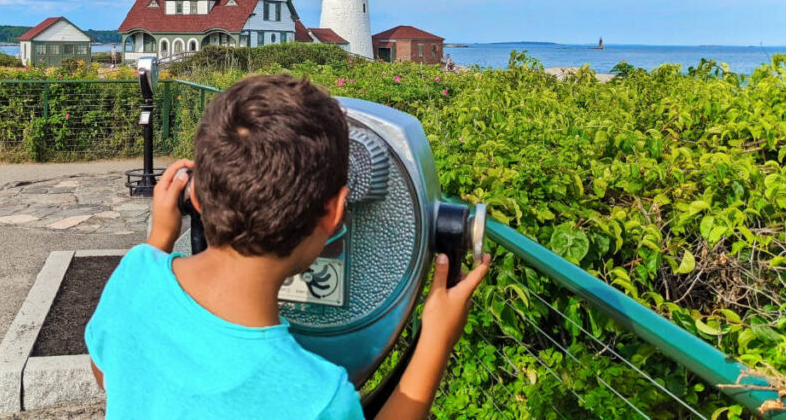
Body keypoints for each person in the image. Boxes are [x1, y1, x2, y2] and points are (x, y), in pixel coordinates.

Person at [86, 74, 491, 420]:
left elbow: (108, 373)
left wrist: (159, 238)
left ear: (194, 195)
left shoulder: (135, 274)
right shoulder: (315, 397)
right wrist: (435, 338)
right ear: (334, 212)